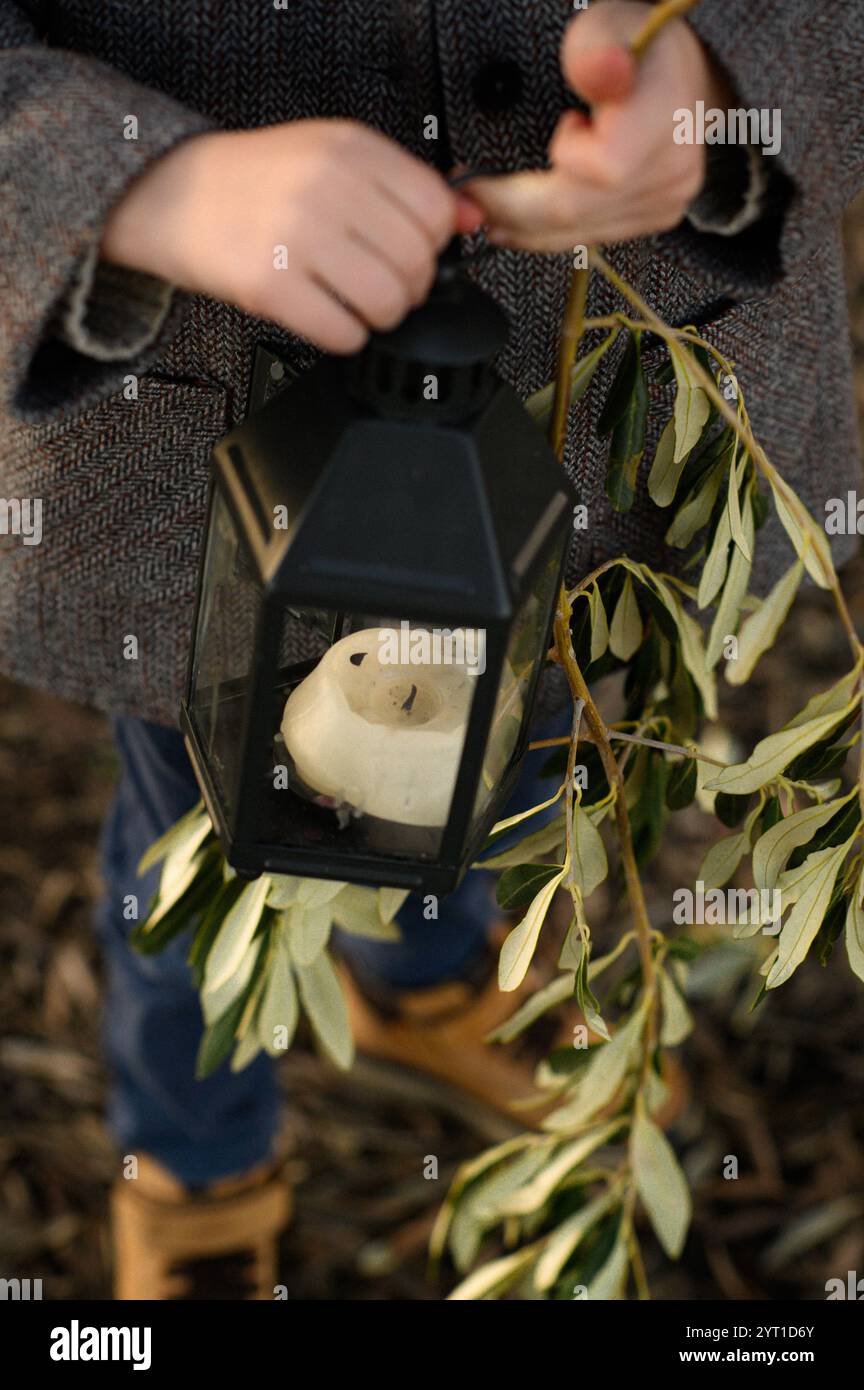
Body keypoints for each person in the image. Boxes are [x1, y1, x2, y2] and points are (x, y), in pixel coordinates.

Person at [1, 0, 862, 1299]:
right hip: (201, 453)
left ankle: (424, 975)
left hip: (612, 424)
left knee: (511, 757)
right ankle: (193, 1157)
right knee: (204, 849)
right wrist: (120, 174)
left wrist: (730, 80)